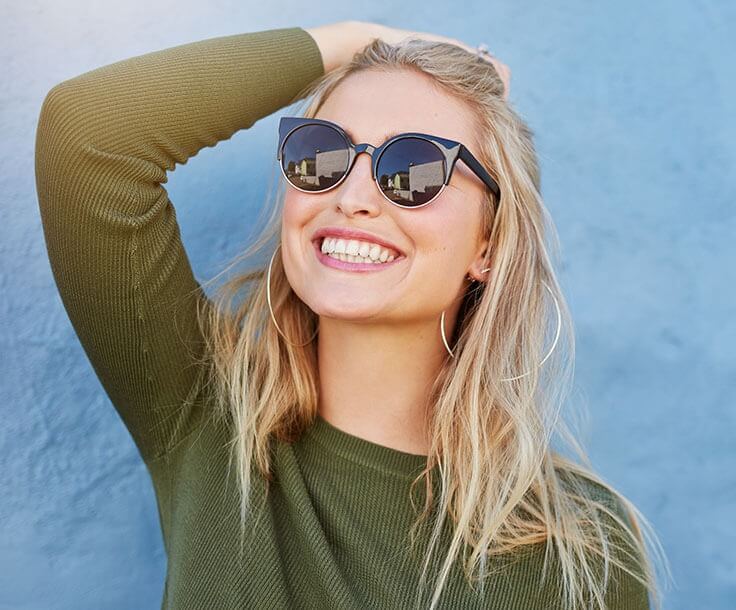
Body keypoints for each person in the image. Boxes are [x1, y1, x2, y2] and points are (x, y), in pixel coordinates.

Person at [35, 19, 668, 610]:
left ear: (488, 246)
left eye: (415, 167)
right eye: (324, 153)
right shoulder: (209, 418)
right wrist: (363, 44)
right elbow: (87, 136)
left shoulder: (582, 549)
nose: (353, 197)